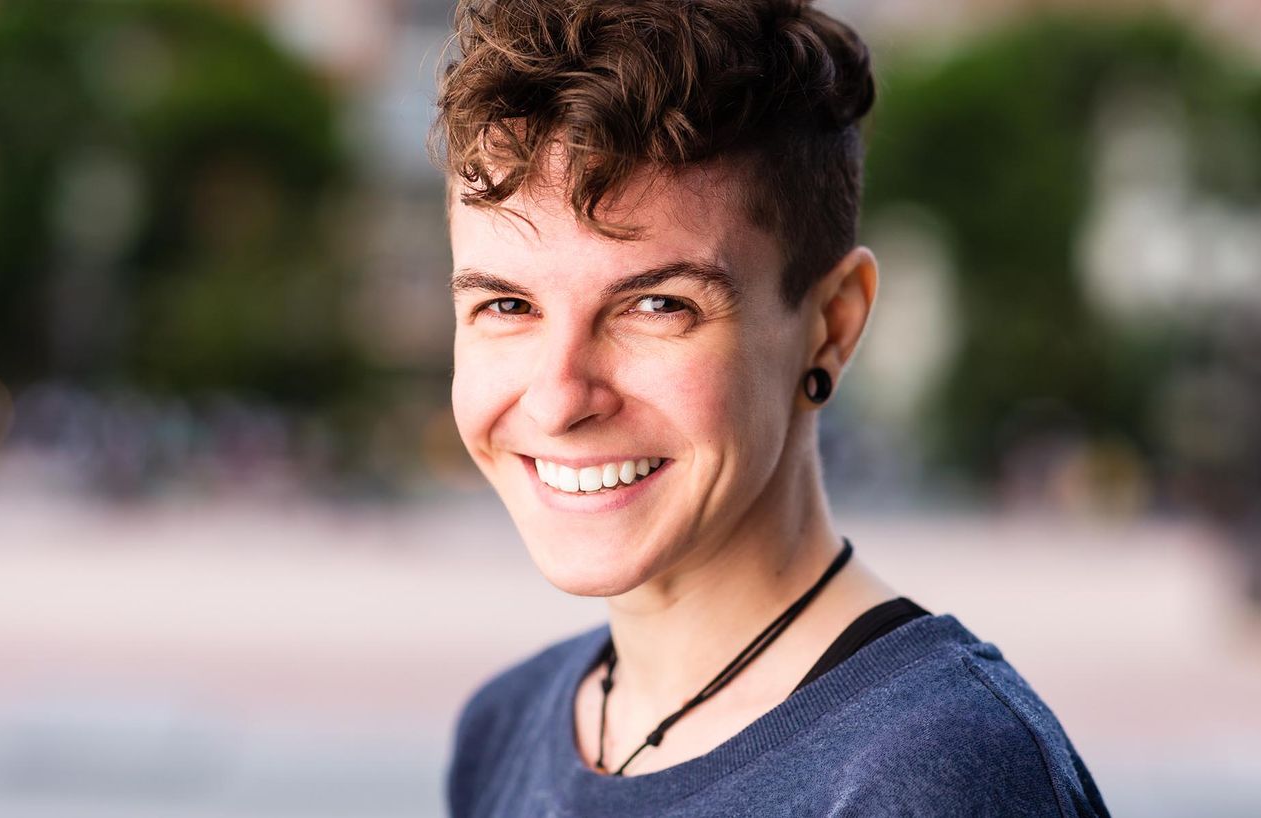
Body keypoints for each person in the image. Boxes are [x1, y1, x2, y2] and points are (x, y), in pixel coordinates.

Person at [433, 1, 1109, 815]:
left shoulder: (935, 775)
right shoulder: (503, 727)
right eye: (507, 306)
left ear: (831, 327)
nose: (559, 397)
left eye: (657, 305)